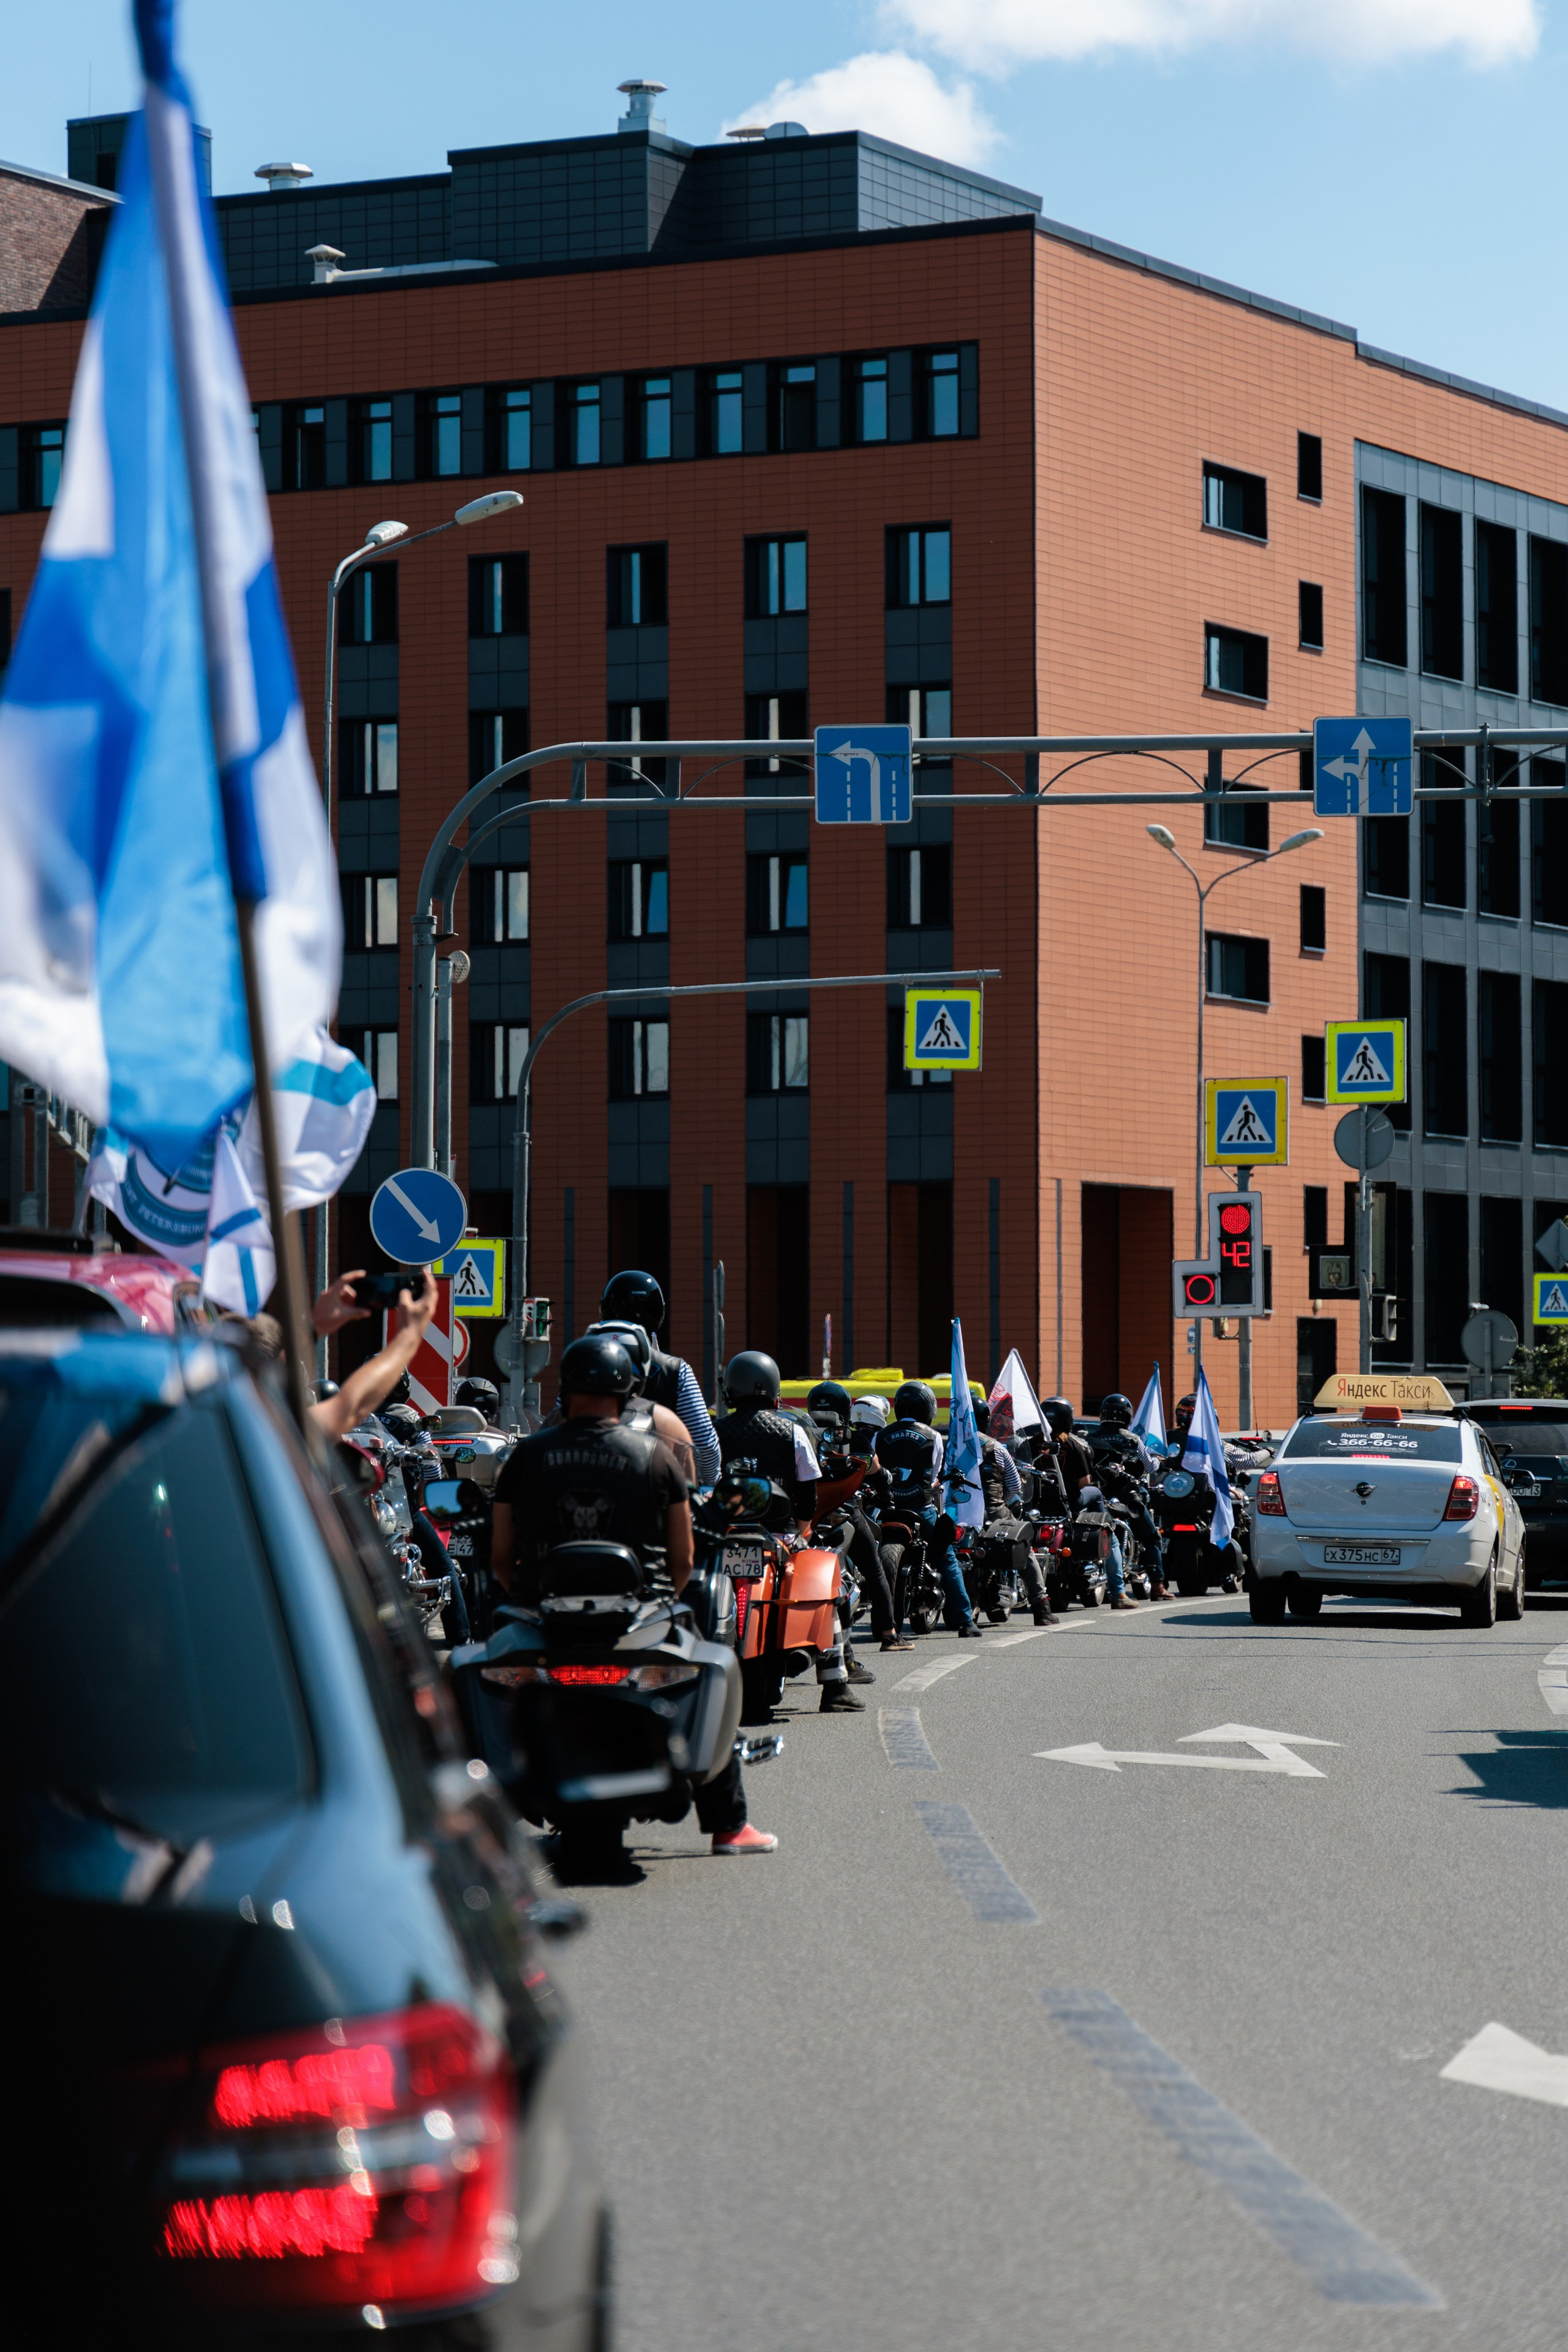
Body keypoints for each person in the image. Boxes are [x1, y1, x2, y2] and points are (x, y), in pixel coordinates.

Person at [492, 1333, 775, 1856]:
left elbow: (500, 1555)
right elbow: (684, 1558)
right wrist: (662, 1603)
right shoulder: (656, 1455)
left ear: (566, 1389)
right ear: (629, 1390)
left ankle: (468, 1830)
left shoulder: (526, 1455)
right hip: (641, 1616)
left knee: (479, 1670)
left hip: (542, 1615)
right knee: (713, 1664)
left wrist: (529, 1600)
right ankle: (728, 1825)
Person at [717, 1351, 865, 1711]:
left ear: (732, 1389)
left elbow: (704, 1483)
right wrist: (800, 1534)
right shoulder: (792, 1431)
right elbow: (808, 1496)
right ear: (772, 1389)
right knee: (836, 1587)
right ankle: (835, 1688)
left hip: (725, 1538)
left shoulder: (714, 1431)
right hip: (780, 1538)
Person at [247, 1268, 438, 1442]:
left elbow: (351, 1407)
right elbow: (350, 1407)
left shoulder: (241, 1416)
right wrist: (409, 1335)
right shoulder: (283, 1429)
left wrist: (314, 1327)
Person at [805, 1381, 909, 1657]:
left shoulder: (801, 1432)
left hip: (805, 1512)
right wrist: (885, 1487)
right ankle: (888, 1634)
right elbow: (876, 1470)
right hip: (843, 1508)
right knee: (875, 1569)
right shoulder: (852, 1438)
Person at [875, 1381, 981, 1638]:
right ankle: (965, 1620)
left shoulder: (879, 1436)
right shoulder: (934, 1438)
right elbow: (933, 1479)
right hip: (921, 1510)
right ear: (928, 1408)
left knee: (867, 1558)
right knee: (947, 1558)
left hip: (885, 1511)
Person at [601, 1268, 720, 1483]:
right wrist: (709, 1484)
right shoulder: (675, 1370)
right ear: (658, 1312)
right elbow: (705, 1444)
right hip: (657, 1489)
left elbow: (556, 1425)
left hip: (590, 1487)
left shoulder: (583, 1361)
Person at [973, 1389, 1057, 1627]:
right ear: (986, 1420)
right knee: (1023, 1548)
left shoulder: (953, 1446)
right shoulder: (996, 1448)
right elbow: (1013, 1485)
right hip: (992, 1510)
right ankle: (1041, 1606)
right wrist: (1002, 1500)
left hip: (958, 1511)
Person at [1087, 1392, 1170, 1602]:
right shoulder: (1133, 1439)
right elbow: (1149, 1466)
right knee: (1151, 1537)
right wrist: (1158, 1461)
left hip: (1098, 1495)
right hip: (1127, 1495)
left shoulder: (1090, 1438)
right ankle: (1158, 1586)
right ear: (1128, 1415)